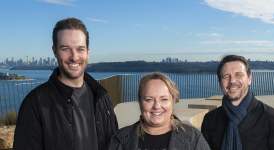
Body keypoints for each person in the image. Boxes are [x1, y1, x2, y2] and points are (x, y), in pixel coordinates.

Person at [13, 17, 118, 150]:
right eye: (65, 49)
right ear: (55, 51)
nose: (74, 57)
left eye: (80, 49)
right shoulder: (34, 104)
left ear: (88, 52)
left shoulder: (102, 98)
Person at [201, 55, 274, 150]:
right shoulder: (210, 120)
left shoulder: (272, 119)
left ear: (249, 79)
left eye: (238, 75)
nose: (232, 81)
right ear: (220, 83)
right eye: (226, 76)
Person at [109, 72, 210, 150]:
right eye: (149, 99)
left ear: (173, 101)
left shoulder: (193, 139)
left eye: (164, 99)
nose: (157, 106)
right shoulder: (120, 139)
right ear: (140, 102)